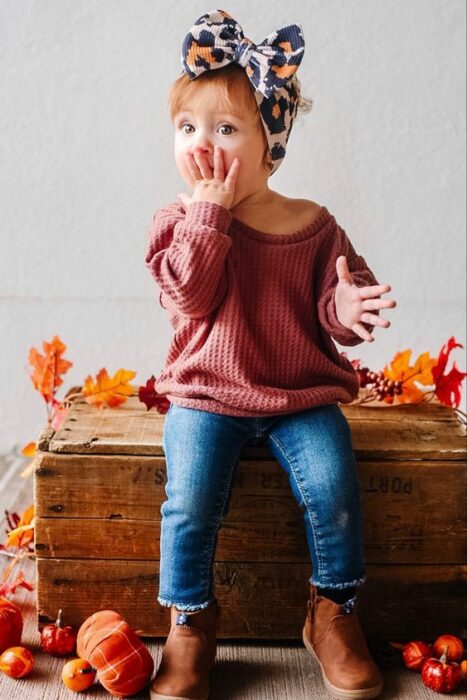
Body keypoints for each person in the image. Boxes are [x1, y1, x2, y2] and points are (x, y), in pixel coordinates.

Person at [145, 9, 396, 700]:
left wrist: (344, 311)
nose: (202, 145)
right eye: (187, 127)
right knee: (189, 498)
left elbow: (339, 303)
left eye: (225, 129)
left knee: (334, 487)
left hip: (297, 396)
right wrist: (207, 216)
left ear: (270, 144)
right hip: (206, 393)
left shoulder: (313, 226)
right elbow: (190, 299)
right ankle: (190, 620)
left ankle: (331, 611)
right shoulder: (178, 223)